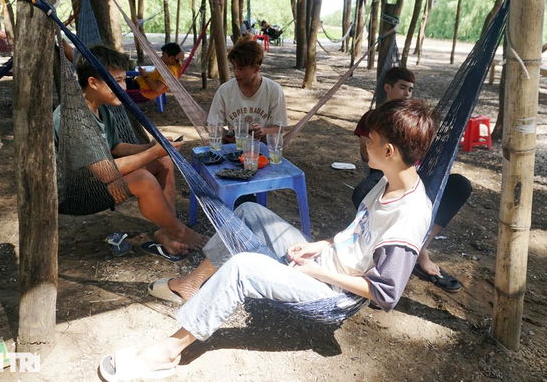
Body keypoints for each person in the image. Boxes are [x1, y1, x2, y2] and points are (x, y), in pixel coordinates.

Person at [98, 99, 436, 381]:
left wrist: (317, 272)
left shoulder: (409, 215)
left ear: (389, 150)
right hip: (324, 262)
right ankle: (191, 284)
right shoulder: (391, 179)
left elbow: (386, 293)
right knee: (248, 213)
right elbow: (361, 235)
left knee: (243, 268)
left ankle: (167, 352)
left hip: (335, 293)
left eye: (371, 140)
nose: (365, 144)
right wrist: (320, 246)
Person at [53, 45, 208, 257]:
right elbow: (105, 172)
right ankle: (178, 231)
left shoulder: (103, 108)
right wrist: (152, 153)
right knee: (142, 178)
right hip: (76, 194)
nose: (124, 88)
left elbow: (116, 147)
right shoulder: (73, 117)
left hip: (97, 182)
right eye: (116, 81)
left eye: (124, 79)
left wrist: (153, 147)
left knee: (164, 162)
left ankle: (167, 233)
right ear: (93, 82)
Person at [352, 67, 471, 293]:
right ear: (387, 88)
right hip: (384, 172)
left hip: (416, 174)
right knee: (362, 191)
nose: (407, 93)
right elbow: (367, 155)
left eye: (410, 89)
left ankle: (419, 248)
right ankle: (378, 250)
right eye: (402, 87)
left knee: (460, 185)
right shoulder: (372, 118)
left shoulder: (415, 121)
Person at [207, 36, 288, 142]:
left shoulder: (273, 90)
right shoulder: (225, 91)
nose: (236, 73)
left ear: (256, 69)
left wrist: (263, 131)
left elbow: (279, 128)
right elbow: (213, 123)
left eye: (241, 69)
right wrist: (227, 135)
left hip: (261, 145)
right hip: (234, 145)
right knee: (208, 143)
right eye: (234, 67)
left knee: (274, 140)